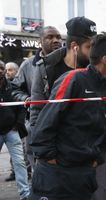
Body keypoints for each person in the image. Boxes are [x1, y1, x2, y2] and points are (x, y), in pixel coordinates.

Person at [14, 32, 106, 200]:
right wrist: (49, 158)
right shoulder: (73, 79)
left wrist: (97, 157)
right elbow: (46, 121)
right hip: (54, 176)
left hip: (84, 178)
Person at [9, 26, 62, 182]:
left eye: (58, 37)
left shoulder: (68, 62)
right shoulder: (29, 65)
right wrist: (25, 99)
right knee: (40, 165)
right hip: (37, 122)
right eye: (50, 37)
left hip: (63, 124)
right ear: (40, 42)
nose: (56, 40)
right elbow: (15, 89)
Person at [0, 70, 30, 200]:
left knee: (19, 162)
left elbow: (21, 106)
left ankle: (25, 193)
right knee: (19, 162)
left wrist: (18, 124)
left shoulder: (12, 87)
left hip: (11, 130)